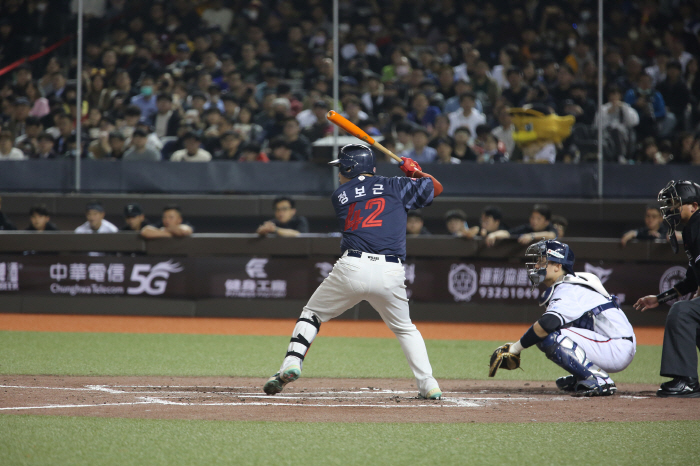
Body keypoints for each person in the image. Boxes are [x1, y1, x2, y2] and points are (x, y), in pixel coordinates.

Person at [263, 144, 444, 400]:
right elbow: (436, 189)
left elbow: (368, 193)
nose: (339, 173)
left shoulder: (340, 194)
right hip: (390, 270)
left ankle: (292, 362)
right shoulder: (395, 184)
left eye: (341, 168)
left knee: (312, 314)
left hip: (353, 267)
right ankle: (429, 384)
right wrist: (415, 173)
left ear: (351, 167)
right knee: (405, 329)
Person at [490, 240, 635, 396]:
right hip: (612, 342)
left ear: (558, 266)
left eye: (542, 261)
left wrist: (515, 349)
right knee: (550, 330)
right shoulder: (571, 283)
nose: (537, 266)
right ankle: (582, 375)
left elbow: (547, 324)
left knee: (547, 334)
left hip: (615, 346)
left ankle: (598, 379)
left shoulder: (568, 288)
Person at [634, 180, 700, 397]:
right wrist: (659, 298)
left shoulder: (698, 224)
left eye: (677, 203)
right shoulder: (692, 229)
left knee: (682, 313)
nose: (672, 209)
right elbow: (691, 282)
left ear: (694, 206)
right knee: (694, 322)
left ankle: (687, 381)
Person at [485, 204, 558, 246]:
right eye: (532, 218)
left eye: (538, 219)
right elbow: (507, 233)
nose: (534, 221)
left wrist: (531, 236)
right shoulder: (527, 228)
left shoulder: (550, 228)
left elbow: (552, 235)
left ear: (546, 221)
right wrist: (493, 235)